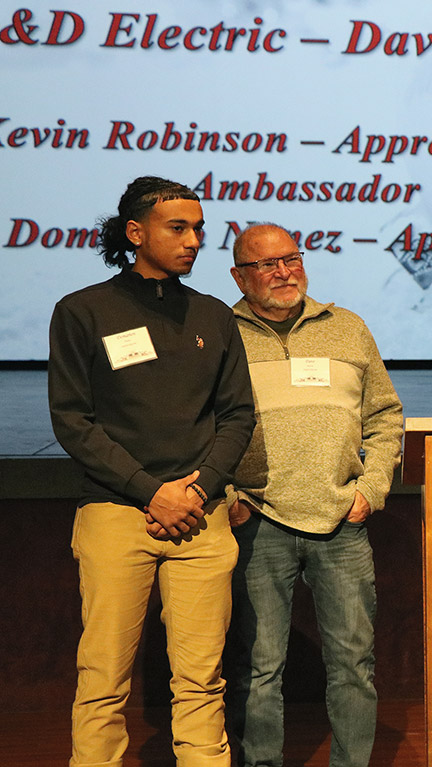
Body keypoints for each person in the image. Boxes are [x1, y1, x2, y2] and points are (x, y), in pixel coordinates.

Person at [48, 176, 255, 767]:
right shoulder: (83, 310)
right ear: (136, 233)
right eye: (178, 227)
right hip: (116, 514)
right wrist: (150, 491)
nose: (193, 240)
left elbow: (238, 414)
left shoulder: (214, 316)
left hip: (202, 516)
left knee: (201, 682)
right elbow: (73, 421)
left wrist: (198, 489)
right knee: (102, 682)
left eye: (198, 229)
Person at [223, 223, 404, 767]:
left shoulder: (347, 327)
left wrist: (370, 490)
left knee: (354, 663)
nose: (284, 272)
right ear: (238, 276)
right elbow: (202, 423)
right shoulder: (220, 333)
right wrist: (231, 494)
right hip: (258, 519)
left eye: (292, 259)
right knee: (259, 667)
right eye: (266, 264)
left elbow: (386, 416)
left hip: (341, 521)